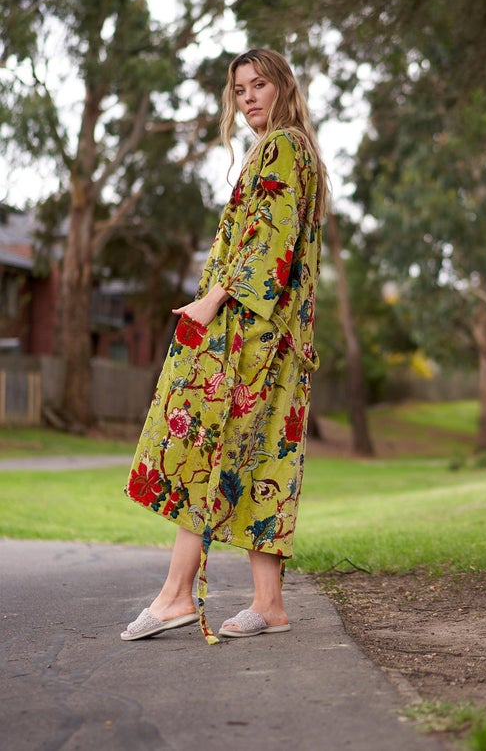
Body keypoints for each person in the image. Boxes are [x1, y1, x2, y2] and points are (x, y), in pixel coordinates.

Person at [120, 48, 329, 644]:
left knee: (204, 453)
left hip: (252, 334)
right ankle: (269, 604)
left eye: (259, 85)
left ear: (282, 87)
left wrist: (212, 300)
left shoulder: (282, 147)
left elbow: (270, 243)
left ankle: (175, 596)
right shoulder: (300, 151)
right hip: (282, 340)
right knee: (264, 462)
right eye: (240, 91)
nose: (248, 98)